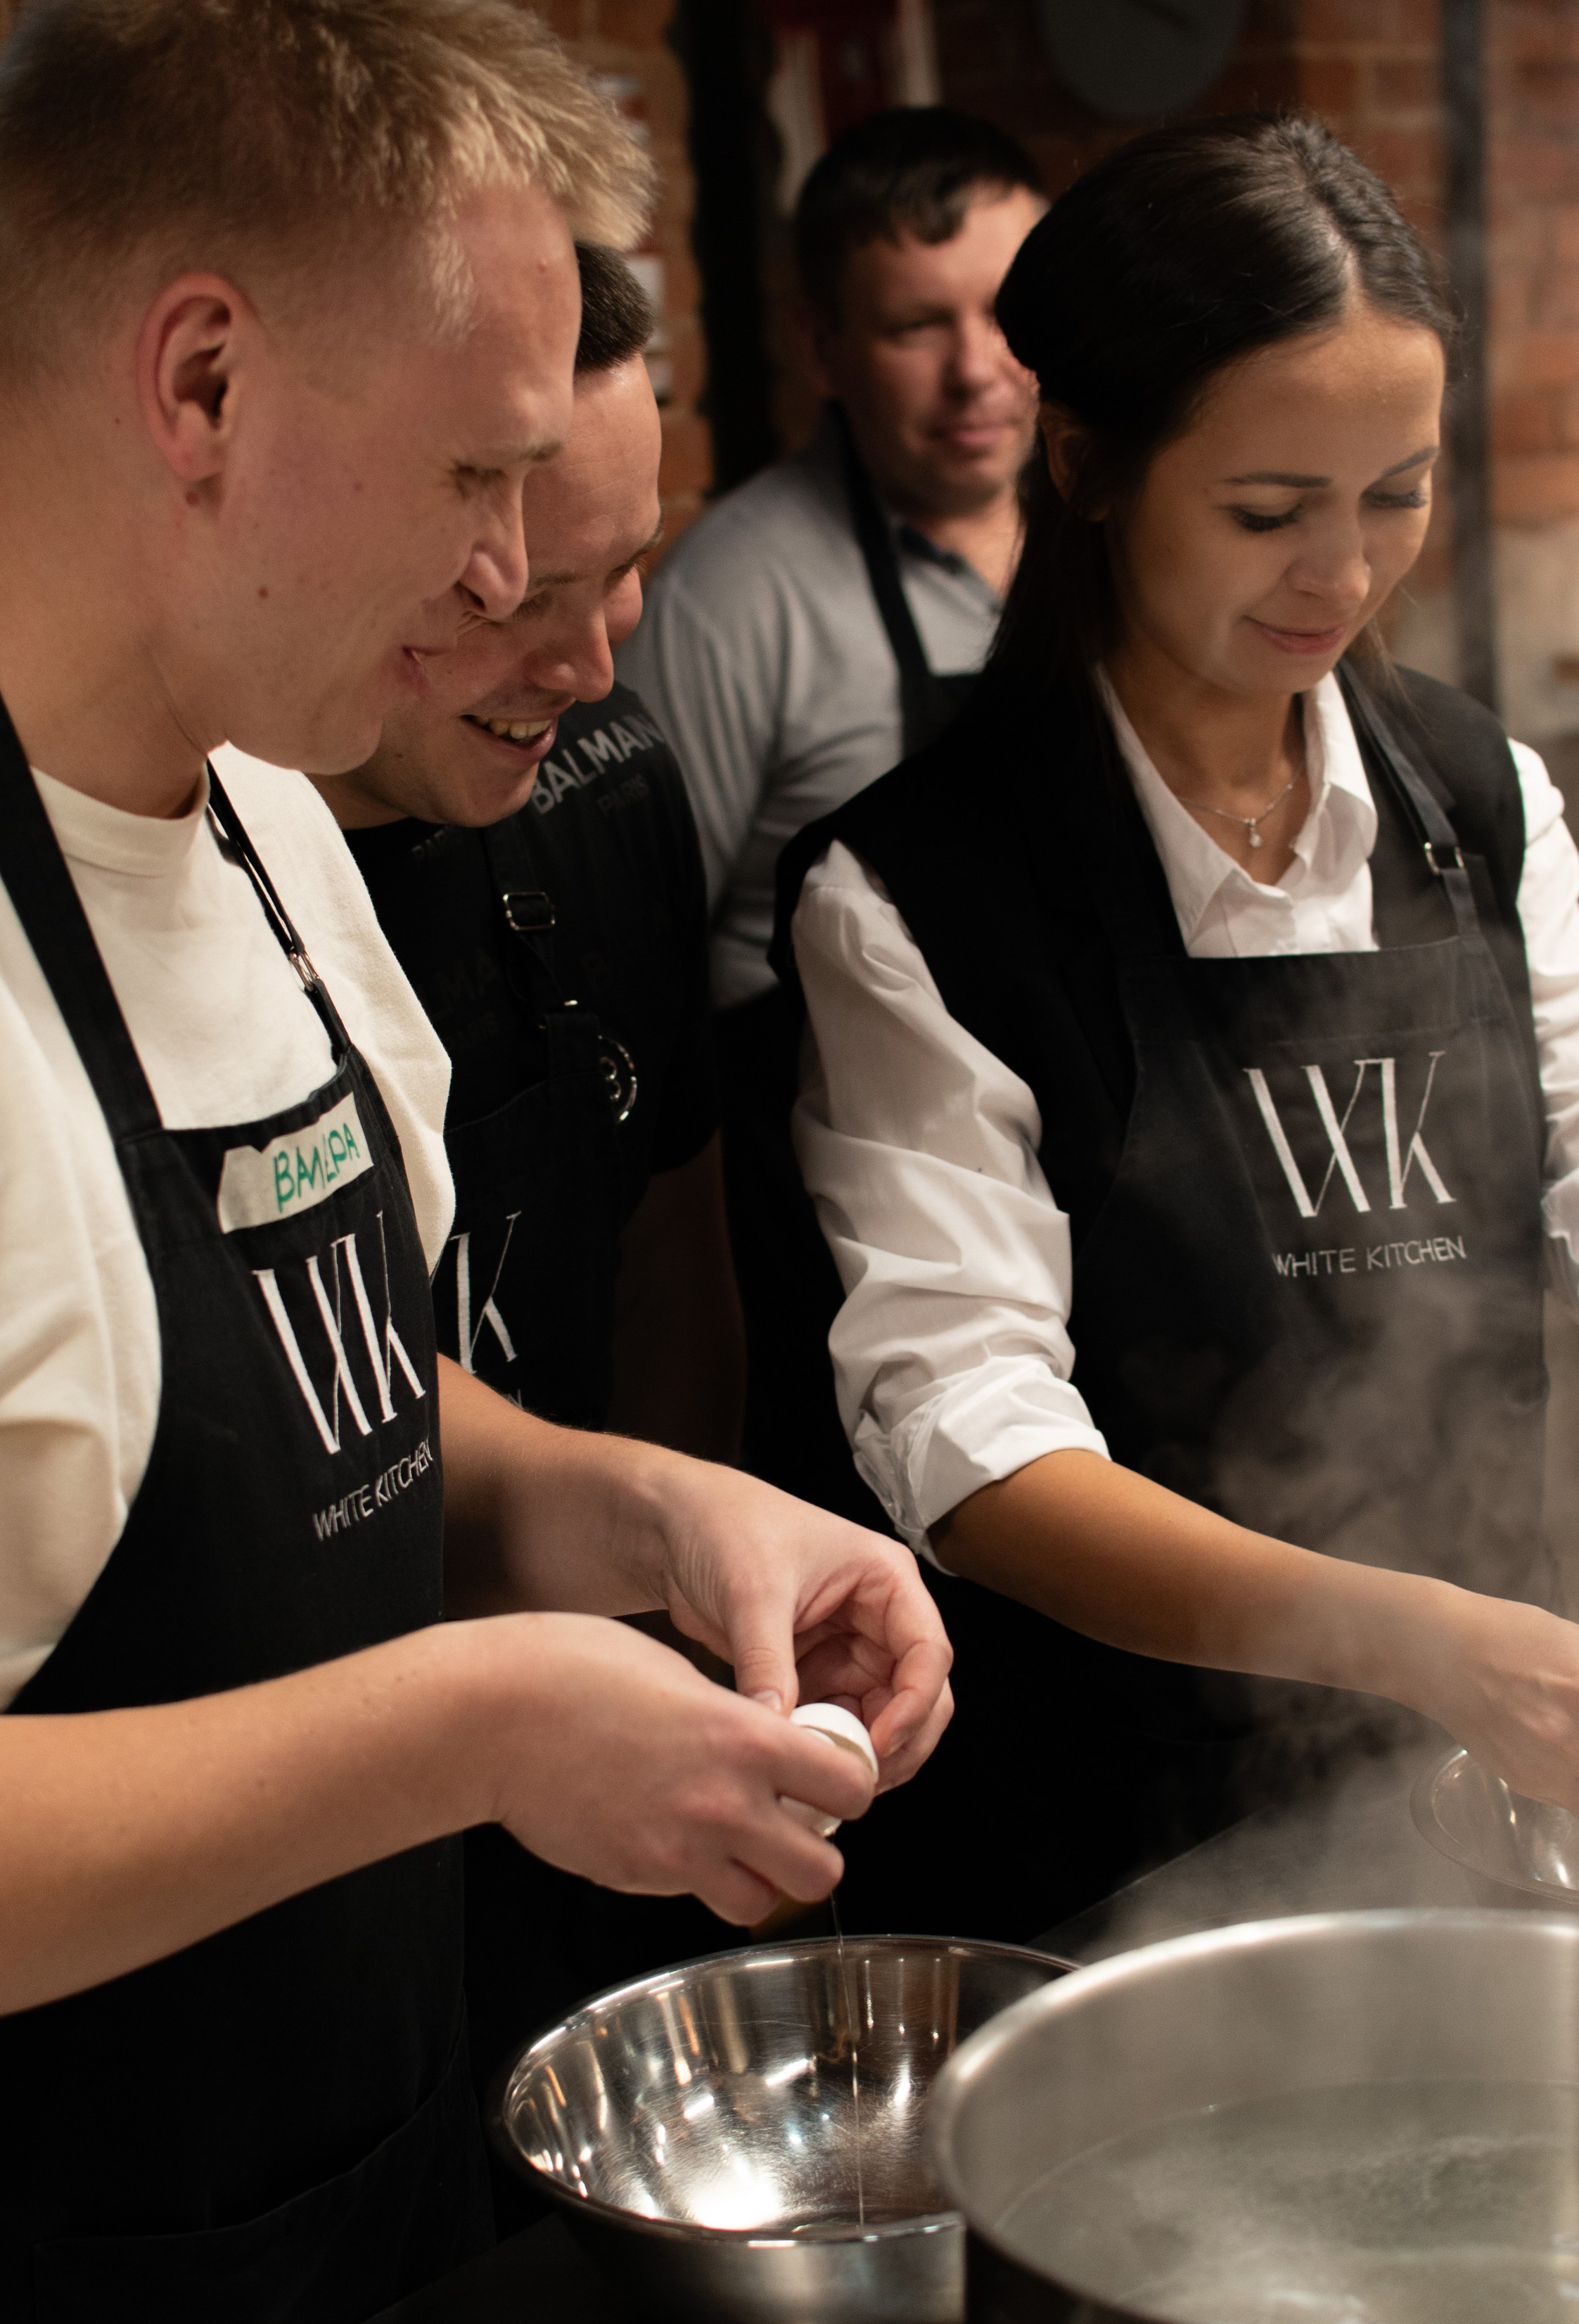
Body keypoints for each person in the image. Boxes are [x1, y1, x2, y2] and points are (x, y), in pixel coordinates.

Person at [0, 0, 949, 2324]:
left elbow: (305, 1397)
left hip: (325, 2299)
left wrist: (633, 1507)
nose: (516, 582)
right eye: (478, 471)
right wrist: (482, 1717)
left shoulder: (261, 815)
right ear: (205, 381)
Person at [771, 112, 1579, 1947]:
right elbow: (973, 1437)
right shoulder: (924, 894)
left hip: (1486, 1769)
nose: (1343, 578)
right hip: (1123, 1832)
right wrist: (1422, 1639)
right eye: (1272, 512)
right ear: (1093, 465)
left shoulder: (1469, 793)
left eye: (1398, 493)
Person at [314, 243, 745, 2109]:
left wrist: (681, 1562)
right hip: (310, 1806)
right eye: (526, 594)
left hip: (600, 1716)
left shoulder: (611, 779)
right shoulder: (199, 853)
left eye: (627, 567)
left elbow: (671, 1244)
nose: (589, 654)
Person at [620, 106, 1043, 1512]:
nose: (975, 371)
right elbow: (642, 979)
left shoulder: (1106, 546)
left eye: (1004, 311)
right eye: (916, 325)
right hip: (832, 1238)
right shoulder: (738, 598)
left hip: (1065, 1185)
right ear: (820, 350)